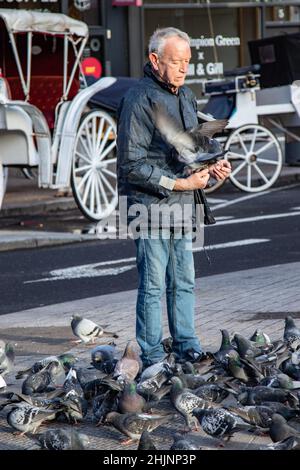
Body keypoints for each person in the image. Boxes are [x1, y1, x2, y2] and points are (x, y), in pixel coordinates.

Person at [117, 27, 231, 367]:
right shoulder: (138, 99)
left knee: (184, 280)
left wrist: (215, 166)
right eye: (176, 61)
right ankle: (151, 354)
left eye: (187, 61)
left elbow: (193, 149)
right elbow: (130, 165)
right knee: (153, 284)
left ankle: (187, 344)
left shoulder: (186, 96)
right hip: (148, 205)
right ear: (155, 60)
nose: (184, 68)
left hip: (183, 204)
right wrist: (181, 185)